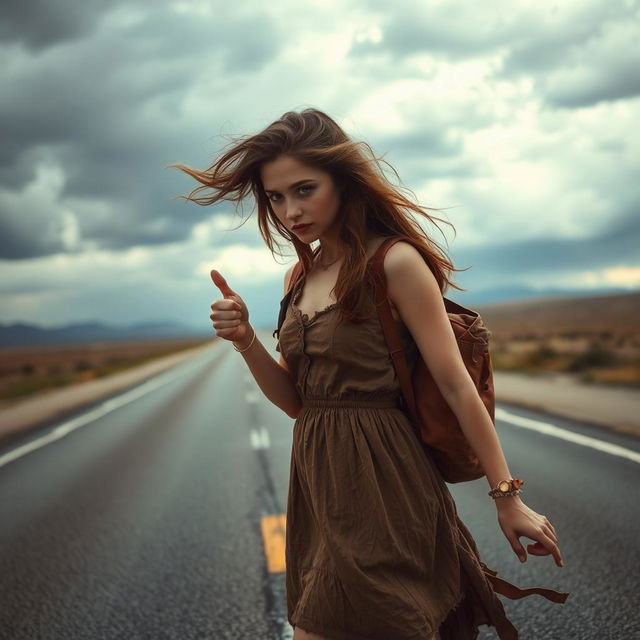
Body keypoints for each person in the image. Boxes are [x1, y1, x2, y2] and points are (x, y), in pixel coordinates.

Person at [173, 108, 569, 640]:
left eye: (304, 189)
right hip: (318, 488)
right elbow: (298, 402)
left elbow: (455, 385)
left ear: (343, 182)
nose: (290, 210)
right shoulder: (300, 274)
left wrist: (506, 495)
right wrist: (246, 341)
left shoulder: (396, 263)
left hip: (388, 485)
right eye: (276, 197)